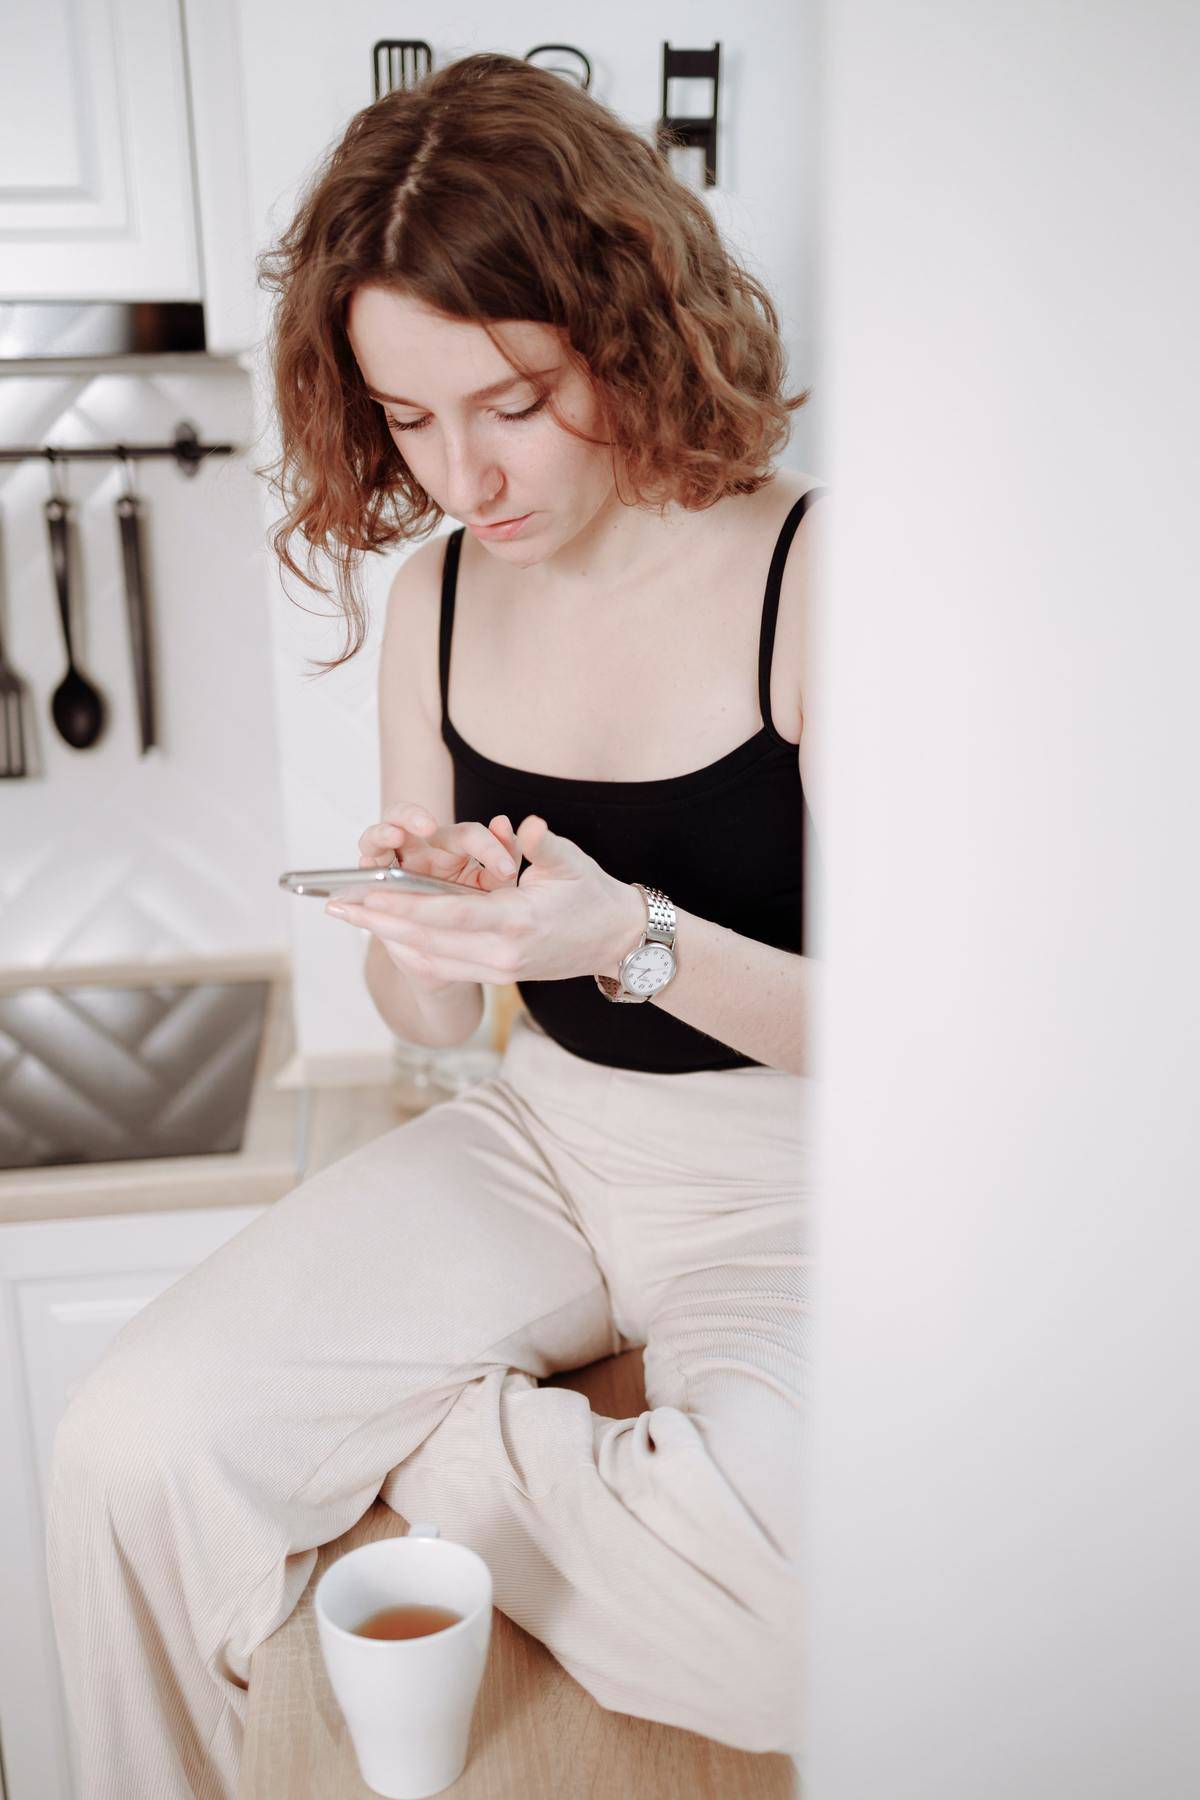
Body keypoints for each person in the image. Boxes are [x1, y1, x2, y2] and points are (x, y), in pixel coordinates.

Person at [44, 53, 828, 1798]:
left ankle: (437, 1441)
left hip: (792, 1170)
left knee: (792, 1632)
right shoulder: (441, 594)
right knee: (123, 1450)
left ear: (632, 328)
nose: (460, 473)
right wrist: (435, 921)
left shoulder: (814, 575)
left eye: (513, 400)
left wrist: (628, 938)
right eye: (407, 418)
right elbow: (421, 1027)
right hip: (546, 1140)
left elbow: (920, 1040)